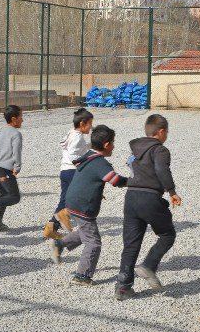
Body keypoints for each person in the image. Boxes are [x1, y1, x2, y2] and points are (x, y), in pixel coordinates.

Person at [48, 125, 128, 286]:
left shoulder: (88, 155)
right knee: (93, 242)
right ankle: (82, 275)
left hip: (72, 201)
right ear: (106, 145)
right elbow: (115, 180)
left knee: (86, 231)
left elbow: (87, 177)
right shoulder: (101, 163)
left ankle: (60, 243)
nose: (114, 146)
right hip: (83, 207)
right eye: (113, 143)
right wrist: (135, 182)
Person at [114, 114, 182, 301]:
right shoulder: (160, 150)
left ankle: (123, 287)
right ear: (161, 132)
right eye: (166, 132)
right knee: (167, 235)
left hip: (131, 197)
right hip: (150, 197)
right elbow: (162, 170)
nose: (167, 135)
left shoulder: (136, 151)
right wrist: (172, 191)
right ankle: (149, 266)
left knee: (131, 243)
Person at [43, 108, 94, 240]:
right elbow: (73, 154)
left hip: (64, 170)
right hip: (72, 171)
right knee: (79, 197)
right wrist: (81, 166)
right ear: (82, 124)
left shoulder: (71, 133)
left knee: (64, 200)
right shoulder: (78, 137)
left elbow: (72, 147)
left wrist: (89, 144)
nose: (91, 127)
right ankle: (64, 216)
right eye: (90, 124)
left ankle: (51, 228)